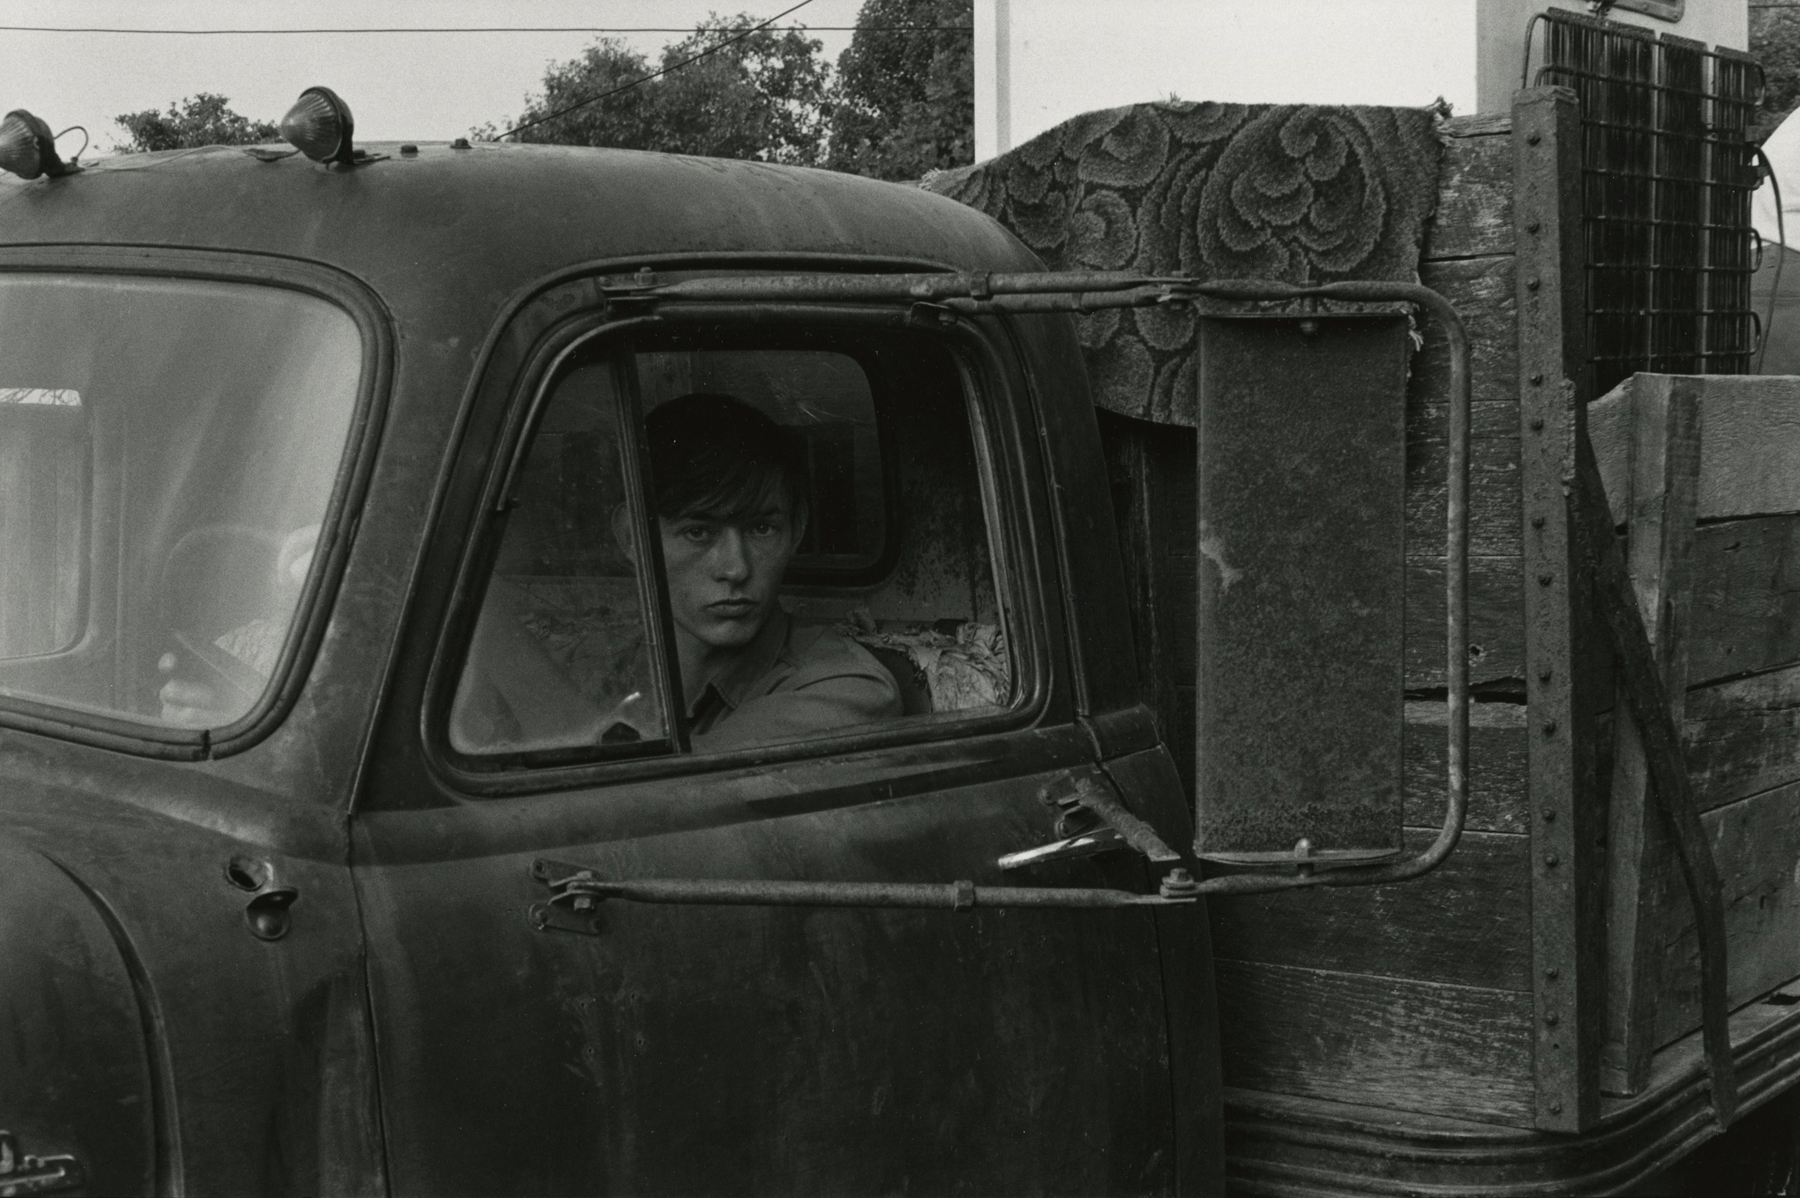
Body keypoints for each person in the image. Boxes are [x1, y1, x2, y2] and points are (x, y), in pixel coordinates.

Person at [458, 392, 901, 753]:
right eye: (698, 532)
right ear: (633, 538)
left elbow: (644, 794)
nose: (735, 568)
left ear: (797, 529)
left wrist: (490, 628)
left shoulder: (845, 689)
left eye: (761, 529)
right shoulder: (605, 666)